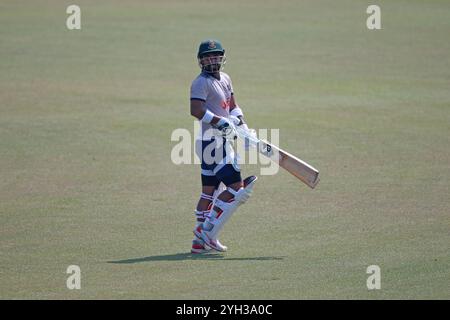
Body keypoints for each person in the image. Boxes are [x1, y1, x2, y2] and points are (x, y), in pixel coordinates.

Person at [189, 39, 257, 254]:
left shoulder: (226, 78)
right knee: (238, 190)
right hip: (213, 142)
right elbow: (196, 110)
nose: (213, 59)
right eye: (208, 56)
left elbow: (233, 106)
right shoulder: (200, 82)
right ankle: (207, 233)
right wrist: (220, 121)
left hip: (219, 142)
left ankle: (200, 243)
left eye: (216, 56)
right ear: (201, 60)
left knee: (208, 193)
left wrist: (243, 126)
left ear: (222, 57)